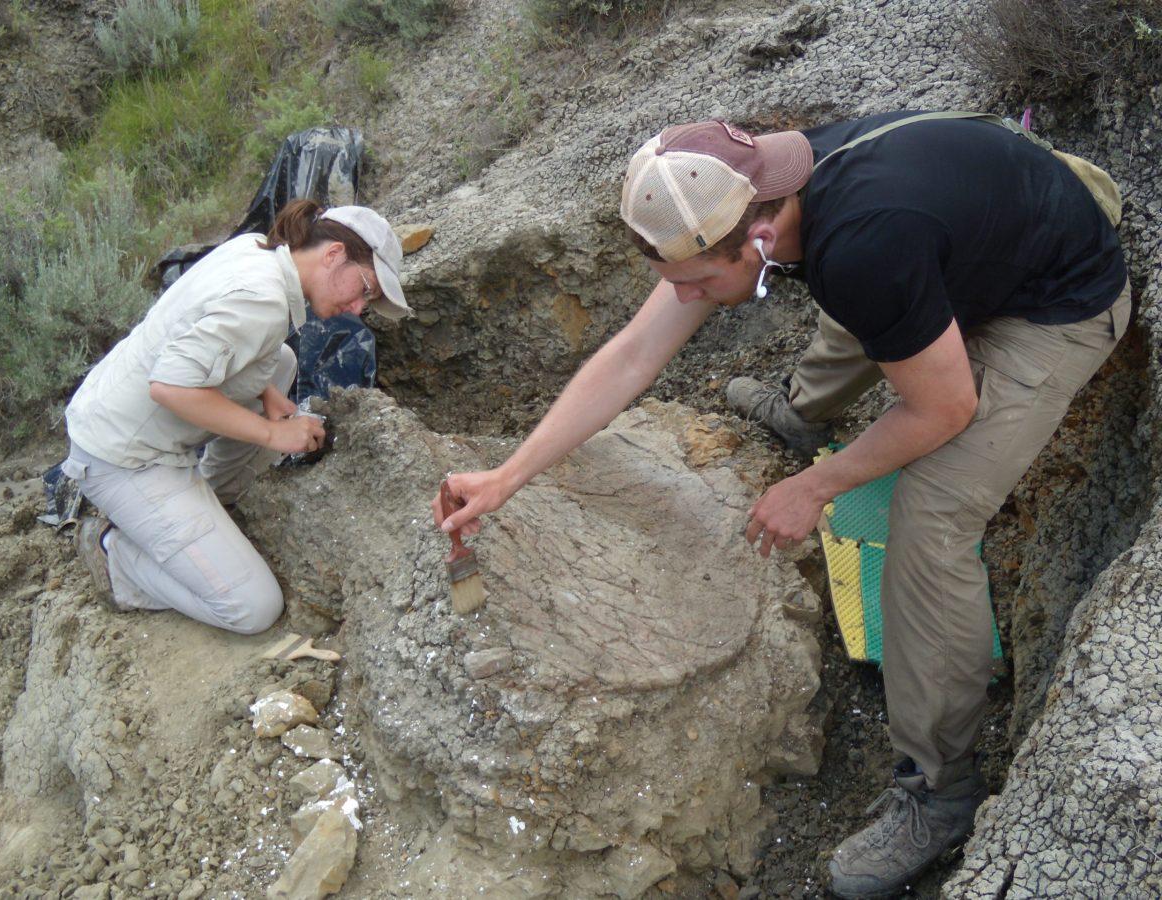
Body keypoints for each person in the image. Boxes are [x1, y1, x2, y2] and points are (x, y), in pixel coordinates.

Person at [431, 112, 1129, 897]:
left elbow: (944, 410)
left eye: (697, 283)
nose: (687, 299)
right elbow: (634, 353)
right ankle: (805, 412)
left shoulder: (864, 241)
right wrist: (507, 475)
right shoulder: (764, 183)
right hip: (969, 243)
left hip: (1059, 306)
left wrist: (817, 484)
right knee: (859, 295)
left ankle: (940, 789)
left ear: (758, 235)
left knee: (929, 516)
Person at [66, 200, 412, 635]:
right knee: (253, 608)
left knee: (281, 362)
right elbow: (170, 387)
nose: (360, 307)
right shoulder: (260, 299)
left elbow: (212, 340)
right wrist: (273, 434)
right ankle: (114, 557)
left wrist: (265, 393)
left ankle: (211, 499)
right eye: (365, 289)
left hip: (125, 416)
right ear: (333, 254)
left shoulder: (261, 250)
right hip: (123, 455)